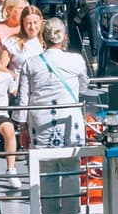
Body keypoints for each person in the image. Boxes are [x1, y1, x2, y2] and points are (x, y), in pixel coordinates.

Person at [22, 16, 90, 147]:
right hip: (70, 120)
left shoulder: (30, 63)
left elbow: (23, 99)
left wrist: (22, 127)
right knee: (71, 165)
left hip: (40, 123)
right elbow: (83, 87)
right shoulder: (76, 60)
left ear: (43, 37)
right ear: (64, 38)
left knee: (43, 164)